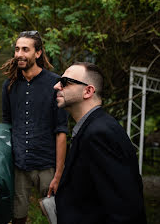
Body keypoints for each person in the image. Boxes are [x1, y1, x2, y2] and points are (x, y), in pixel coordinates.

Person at [54, 62, 146, 224]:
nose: (56, 86)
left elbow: (125, 208)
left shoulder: (99, 134)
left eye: (65, 82)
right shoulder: (92, 127)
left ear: (88, 91)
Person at [1, 31, 68, 224]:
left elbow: (61, 131)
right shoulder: (9, 85)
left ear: (38, 53)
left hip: (47, 165)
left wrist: (58, 173)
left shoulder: (55, 84)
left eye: (25, 49)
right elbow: (7, 125)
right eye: (17, 49)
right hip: (19, 164)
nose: (19, 54)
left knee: (57, 216)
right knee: (17, 217)